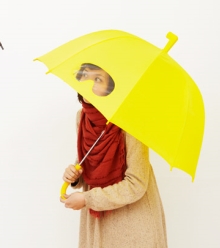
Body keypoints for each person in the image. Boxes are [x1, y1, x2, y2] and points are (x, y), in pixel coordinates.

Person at [60, 63, 168, 247]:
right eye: (86, 76)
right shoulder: (82, 117)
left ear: (112, 85)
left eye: (98, 79)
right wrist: (75, 176)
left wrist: (88, 199)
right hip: (98, 220)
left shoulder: (130, 120)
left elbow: (136, 184)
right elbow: (90, 160)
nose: (89, 83)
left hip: (133, 221)